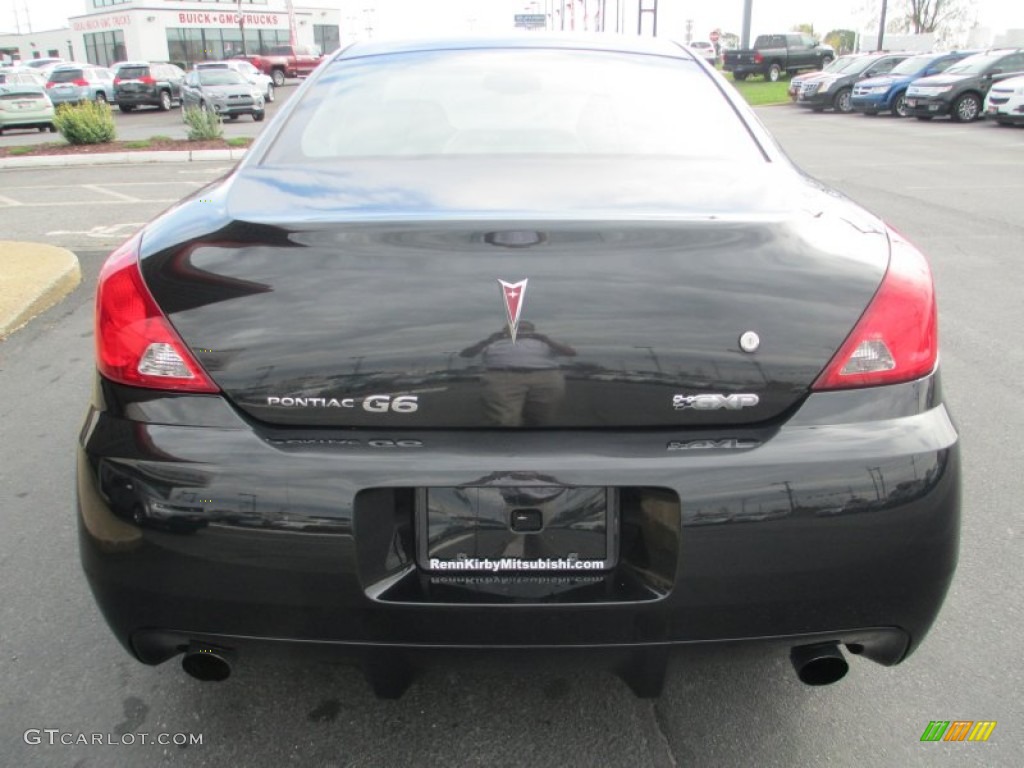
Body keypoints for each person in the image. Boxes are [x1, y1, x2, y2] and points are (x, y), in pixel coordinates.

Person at [460, 321, 576, 426]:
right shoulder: (493, 343)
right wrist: (488, 340)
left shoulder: (545, 342)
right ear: (505, 330)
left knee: (542, 417)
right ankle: (505, 444)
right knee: (502, 419)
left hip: (545, 377)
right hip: (503, 378)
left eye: (524, 327)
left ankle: (536, 443)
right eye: (515, 326)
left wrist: (546, 340)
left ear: (532, 330)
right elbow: (466, 354)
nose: (520, 329)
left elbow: (570, 353)